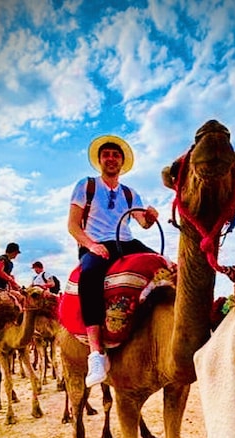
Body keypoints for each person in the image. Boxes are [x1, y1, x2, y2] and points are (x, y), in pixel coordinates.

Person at [68, 134, 159, 387]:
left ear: (121, 162)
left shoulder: (130, 194)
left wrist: (150, 216)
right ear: (99, 160)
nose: (111, 158)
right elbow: (73, 226)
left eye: (115, 155)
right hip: (94, 244)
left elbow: (143, 223)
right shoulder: (86, 186)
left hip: (126, 242)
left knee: (165, 266)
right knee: (89, 276)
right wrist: (92, 246)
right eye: (106, 154)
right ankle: (96, 353)